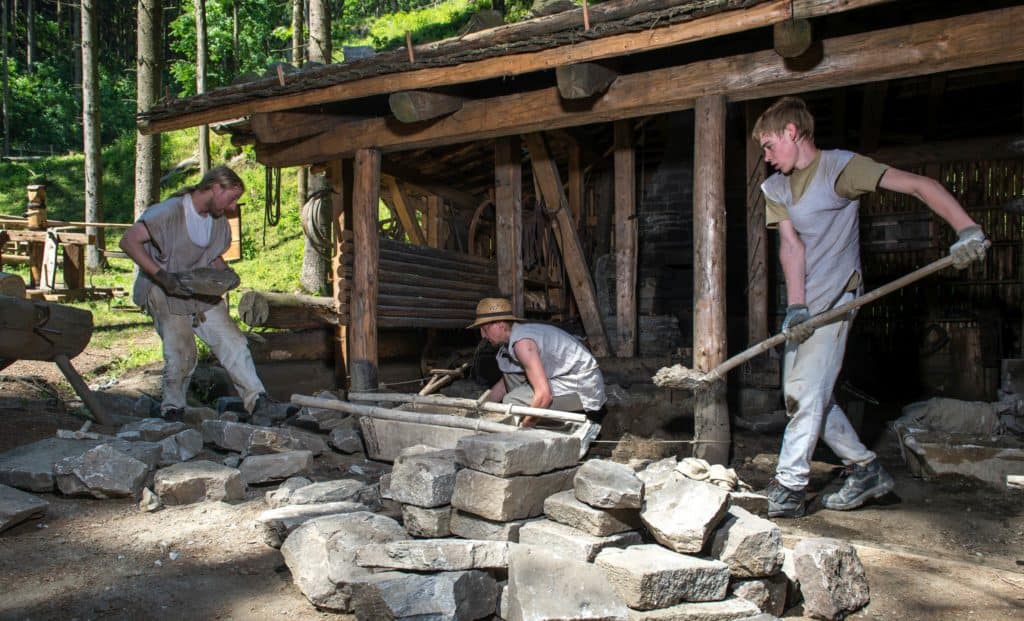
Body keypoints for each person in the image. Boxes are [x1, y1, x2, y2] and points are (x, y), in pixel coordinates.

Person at [752, 97, 987, 517]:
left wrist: (966, 229)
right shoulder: (776, 188)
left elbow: (920, 185)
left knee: (806, 393)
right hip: (809, 304)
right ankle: (866, 469)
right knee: (801, 397)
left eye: (769, 145)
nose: (766, 157)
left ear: (792, 132)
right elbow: (792, 247)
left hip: (841, 296)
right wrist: (796, 307)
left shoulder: (840, 169)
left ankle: (788, 487)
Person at [120, 165, 290, 420]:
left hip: (198, 292)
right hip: (164, 291)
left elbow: (209, 257)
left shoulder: (218, 221)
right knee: (181, 351)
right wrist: (160, 275)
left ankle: (258, 402)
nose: (233, 206)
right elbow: (128, 241)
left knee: (233, 342)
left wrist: (226, 272)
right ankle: (173, 410)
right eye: (231, 198)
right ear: (215, 187)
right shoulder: (168, 213)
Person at [468, 297, 606, 427]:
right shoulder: (513, 338)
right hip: (565, 379)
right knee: (511, 376)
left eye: (485, 329)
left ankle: (559, 429)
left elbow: (544, 395)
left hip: (583, 387)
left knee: (511, 402)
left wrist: (525, 427)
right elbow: (504, 384)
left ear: (500, 324)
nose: (483, 335)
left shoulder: (522, 343)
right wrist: (479, 407)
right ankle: (536, 419)